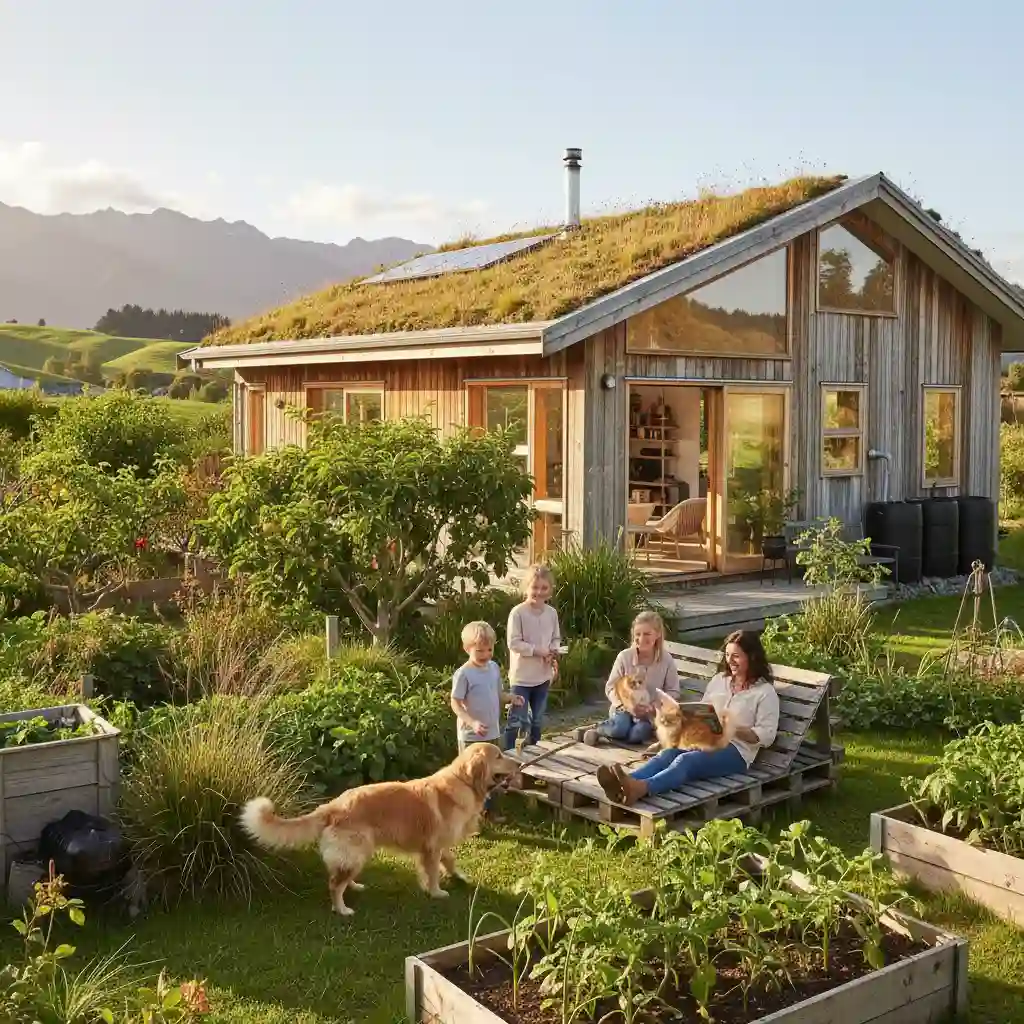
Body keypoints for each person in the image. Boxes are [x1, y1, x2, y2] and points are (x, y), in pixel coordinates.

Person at [596, 629, 780, 806]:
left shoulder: (764, 693)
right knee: (667, 754)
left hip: (737, 752)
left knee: (686, 761)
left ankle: (641, 788)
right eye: (727, 655)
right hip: (704, 742)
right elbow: (702, 712)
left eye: (736, 656)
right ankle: (625, 783)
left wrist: (732, 728)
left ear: (752, 657)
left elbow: (766, 736)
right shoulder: (719, 681)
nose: (730, 661)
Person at [450, 620, 524, 820]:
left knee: (492, 773)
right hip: (471, 735)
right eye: (480, 651)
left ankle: (488, 811)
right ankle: (468, 814)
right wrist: (472, 721)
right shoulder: (464, 674)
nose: (485, 655)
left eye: (489, 650)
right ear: (467, 649)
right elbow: (455, 703)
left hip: (492, 731)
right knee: (472, 776)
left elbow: (497, 693)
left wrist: (511, 698)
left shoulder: (493, 668)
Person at [584, 610, 679, 746]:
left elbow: (674, 691)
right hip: (623, 709)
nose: (641, 639)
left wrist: (655, 706)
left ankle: (605, 731)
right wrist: (626, 706)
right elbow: (611, 687)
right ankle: (598, 730)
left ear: (657, 635)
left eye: (647, 634)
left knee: (637, 735)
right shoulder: (624, 657)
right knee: (620, 729)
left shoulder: (666, 660)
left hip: (649, 715)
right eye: (637, 634)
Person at [504, 564, 561, 749]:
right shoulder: (518, 613)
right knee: (516, 720)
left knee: (537, 720)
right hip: (522, 678)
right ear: (527, 587)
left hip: (542, 676)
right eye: (535, 587)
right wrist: (537, 651)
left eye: (544, 588)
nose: (539, 592)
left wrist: (552, 651)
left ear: (550, 589)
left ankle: (534, 753)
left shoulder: (551, 614)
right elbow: (513, 643)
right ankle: (508, 755)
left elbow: (555, 638)